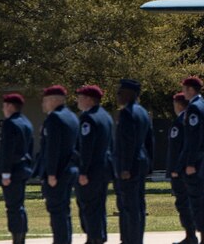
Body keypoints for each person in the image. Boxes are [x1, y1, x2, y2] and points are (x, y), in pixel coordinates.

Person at [37, 85, 80, 244]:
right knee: (64, 210)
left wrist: (51, 173)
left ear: (54, 100)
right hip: (69, 170)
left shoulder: (54, 118)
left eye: (45, 100)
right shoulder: (72, 117)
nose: (43, 103)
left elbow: (52, 148)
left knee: (57, 211)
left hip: (58, 172)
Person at [0, 92, 34, 244]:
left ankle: (17, 239)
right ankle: (21, 237)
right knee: (19, 206)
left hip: (13, 171)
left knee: (13, 207)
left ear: (9, 106)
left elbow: (7, 151)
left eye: (4, 106)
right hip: (23, 169)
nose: (3, 109)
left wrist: (6, 173)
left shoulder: (10, 123)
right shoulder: (26, 123)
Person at [115, 79, 153, 244]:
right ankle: (137, 239)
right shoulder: (143, 112)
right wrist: (149, 164)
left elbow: (128, 143)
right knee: (138, 205)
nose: (118, 95)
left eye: (120, 92)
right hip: (141, 162)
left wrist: (125, 167)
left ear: (129, 94)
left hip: (130, 165)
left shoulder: (127, 113)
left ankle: (130, 240)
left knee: (128, 206)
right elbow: (150, 141)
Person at [75, 85, 113, 244]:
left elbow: (86, 147)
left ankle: (94, 238)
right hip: (103, 168)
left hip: (91, 170)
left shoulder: (88, 118)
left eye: (80, 97)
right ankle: (100, 235)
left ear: (89, 99)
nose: (77, 100)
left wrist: (83, 171)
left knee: (88, 206)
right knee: (98, 205)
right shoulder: (105, 116)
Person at [181, 76, 204, 244]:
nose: (183, 92)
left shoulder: (194, 108)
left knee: (197, 200)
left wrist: (190, 163)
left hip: (197, 161)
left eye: (185, 89)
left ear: (191, 90)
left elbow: (194, 138)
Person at [169, 92, 199, 244]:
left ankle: (190, 235)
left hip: (179, 171)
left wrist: (175, 169)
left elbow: (177, 149)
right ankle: (191, 234)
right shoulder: (188, 120)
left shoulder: (181, 121)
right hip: (185, 169)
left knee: (183, 203)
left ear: (179, 105)